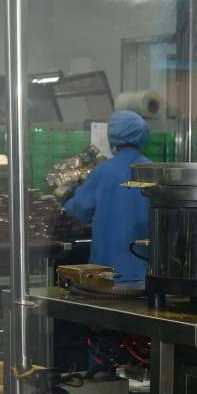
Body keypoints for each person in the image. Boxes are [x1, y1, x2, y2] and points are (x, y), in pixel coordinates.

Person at [65, 109, 151, 285]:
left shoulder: (104, 171)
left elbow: (79, 209)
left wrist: (65, 197)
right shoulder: (153, 171)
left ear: (113, 136)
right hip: (145, 272)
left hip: (107, 273)